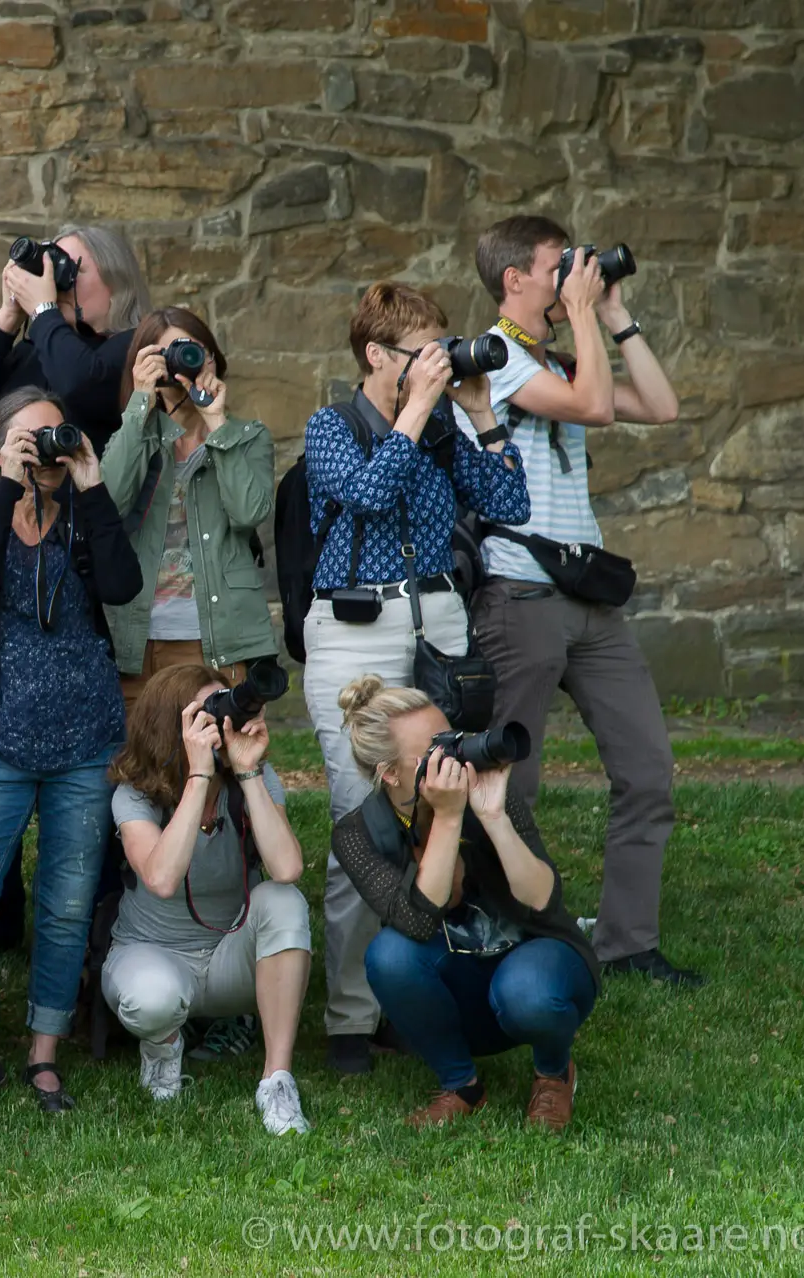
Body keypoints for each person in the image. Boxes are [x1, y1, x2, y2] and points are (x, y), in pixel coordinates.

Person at [300, 282, 531, 1076]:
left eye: (443, 346)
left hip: (437, 627)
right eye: (419, 352)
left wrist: (476, 410)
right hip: (353, 631)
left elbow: (511, 500)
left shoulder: (441, 427)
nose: (436, 363)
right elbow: (367, 492)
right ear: (376, 355)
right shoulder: (332, 425)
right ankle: (349, 1019)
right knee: (360, 822)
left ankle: (418, 992)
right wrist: (414, 412)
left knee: (439, 813)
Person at [470, 215, 699, 987]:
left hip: (589, 598)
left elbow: (661, 407)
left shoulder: (568, 353)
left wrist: (611, 316)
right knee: (514, 782)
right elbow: (596, 408)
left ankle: (627, 942)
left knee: (648, 767)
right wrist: (579, 315)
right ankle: (525, 936)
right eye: (555, 264)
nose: (572, 271)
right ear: (515, 282)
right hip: (521, 596)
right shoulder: (493, 357)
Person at [0, 388, 142, 1112]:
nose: (47, 448)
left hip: (86, 738)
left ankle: (46, 1052)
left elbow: (122, 584)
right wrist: (9, 493)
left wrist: (92, 484)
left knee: (67, 901)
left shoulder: (85, 519)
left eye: (56, 435)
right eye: (31, 438)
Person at [330, 676, 598, 1132]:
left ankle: (553, 1074)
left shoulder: (489, 792)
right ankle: (462, 1085)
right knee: (388, 956)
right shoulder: (357, 834)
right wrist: (448, 817)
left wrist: (491, 816)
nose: (451, 758)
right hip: (458, 982)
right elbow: (416, 922)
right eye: (432, 751)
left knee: (527, 992)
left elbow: (545, 903)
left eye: (450, 740)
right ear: (390, 773)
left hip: (535, 960)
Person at [102, 665, 311, 1133]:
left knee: (286, 900)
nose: (222, 725)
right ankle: (163, 1047)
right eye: (209, 713)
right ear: (170, 725)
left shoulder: (254, 777)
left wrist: (249, 770)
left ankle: (276, 1081)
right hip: (151, 956)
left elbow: (287, 868)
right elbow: (160, 878)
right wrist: (197, 777)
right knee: (152, 999)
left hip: (230, 958)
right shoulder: (135, 793)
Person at [102, 306, 278, 710]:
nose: (183, 362)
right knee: (144, 767)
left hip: (221, 638)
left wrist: (215, 423)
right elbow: (107, 504)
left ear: (213, 359)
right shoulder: (137, 434)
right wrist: (139, 406)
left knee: (224, 759)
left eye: (194, 351)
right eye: (167, 354)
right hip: (141, 638)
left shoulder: (246, 437)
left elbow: (250, 512)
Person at [0, 224, 153, 447]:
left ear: (115, 281)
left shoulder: (138, 344)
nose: (55, 283)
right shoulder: (37, 349)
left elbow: (81, 386)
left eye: (70, 269)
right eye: (52, 270)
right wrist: (7, 321)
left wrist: (43, 310)